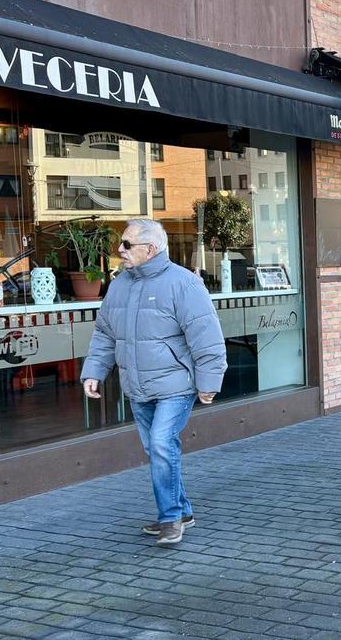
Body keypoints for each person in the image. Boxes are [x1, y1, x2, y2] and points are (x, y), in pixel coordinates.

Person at [81, 219, 226, 545]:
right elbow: (105, 333)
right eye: (121, 243)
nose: (120, 250)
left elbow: (207, 337)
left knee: (161, 444)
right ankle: (183, 509)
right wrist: (94, 371)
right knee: (158, 450)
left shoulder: (183, 283)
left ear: (151, 248)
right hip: (137, 386)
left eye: (127, 244)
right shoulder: (119, 284)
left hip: (175, 385)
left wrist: (209, 381)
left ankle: (171, 519)